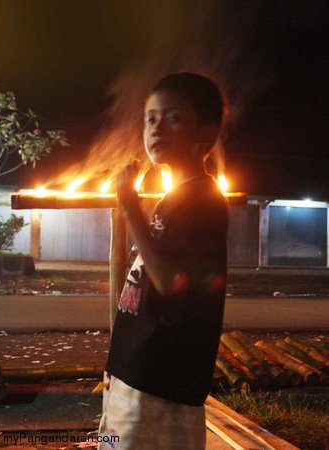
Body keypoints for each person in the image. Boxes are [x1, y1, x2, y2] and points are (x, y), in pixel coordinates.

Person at [98, 72, 229, 450]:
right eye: (150, 119)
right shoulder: (174, 199)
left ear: (207, 133)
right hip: (133, 373)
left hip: (159, 383)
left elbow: (170, 281)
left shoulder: (203, 200)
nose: (156, 129)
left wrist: (130, 207)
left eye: (173, 118)